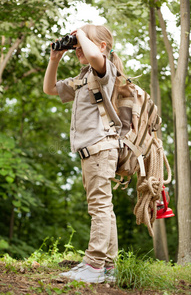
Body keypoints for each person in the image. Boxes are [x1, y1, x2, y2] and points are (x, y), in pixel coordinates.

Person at [43, 24, 126, 283]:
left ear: (101, 46)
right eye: (77, 44)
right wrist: (54, 59)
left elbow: (93, 56)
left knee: (99, 207)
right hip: (93, 151)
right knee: (104, 208)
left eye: (83, 43)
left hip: (100, 147)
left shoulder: (105, 69)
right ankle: (108, 269)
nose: (78, 48)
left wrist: (79, 34)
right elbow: (50, 89)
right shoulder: (82, 77)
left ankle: (93, 265)